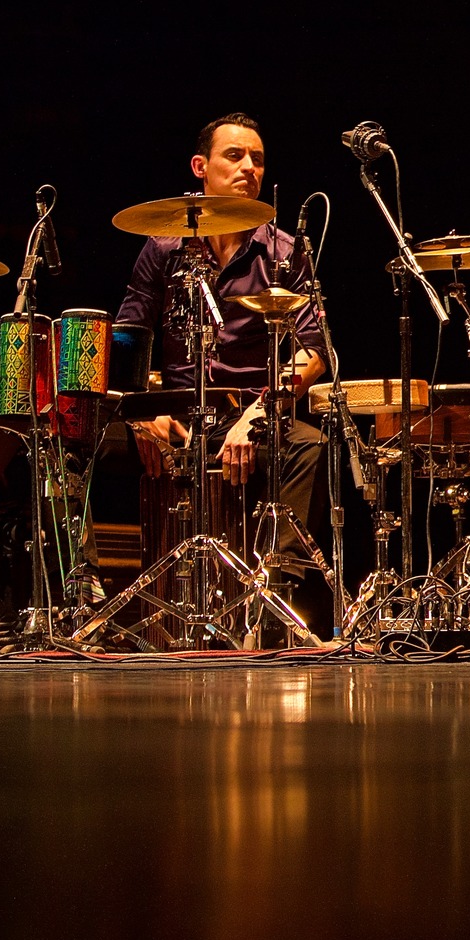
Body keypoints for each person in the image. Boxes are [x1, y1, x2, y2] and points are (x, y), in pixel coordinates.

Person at [114, 113, 330, 606]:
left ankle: (276, 597)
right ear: (200, 167)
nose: (248, 167)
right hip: (174, 414)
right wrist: (145, 411)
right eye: (234, 156)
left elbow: (315, 351)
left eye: (257, 159)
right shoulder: (163, 247)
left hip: (249, 412)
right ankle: (79, 590)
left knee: (313, 447)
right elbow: (128, 337)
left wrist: (259, 414)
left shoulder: (284, 253)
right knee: (68, 438)